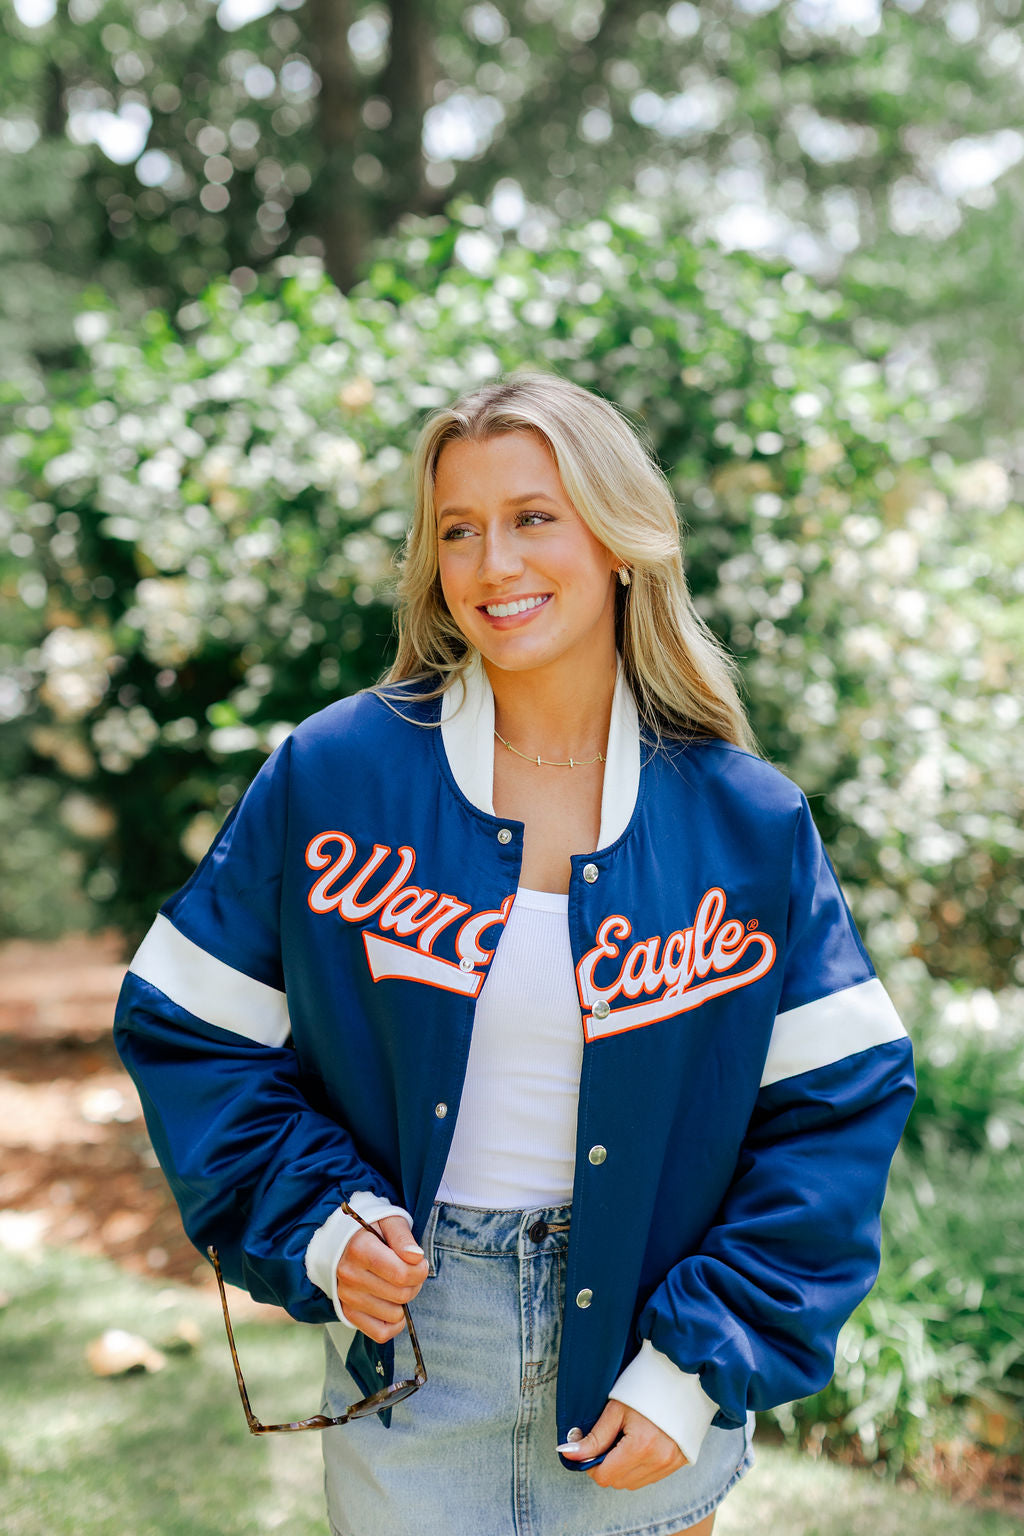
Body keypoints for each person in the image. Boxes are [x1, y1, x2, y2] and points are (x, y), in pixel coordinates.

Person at [114, 369, 916, 1536]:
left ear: (618, 540)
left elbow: (835, 1113)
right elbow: (192, 1031)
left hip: (640, 1352)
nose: (495, 567)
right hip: (418, 1344)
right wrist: (324, 1223)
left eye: (534, 518)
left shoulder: (745, 821)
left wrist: (696, 1365)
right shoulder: (337, 775)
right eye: (460, 530)